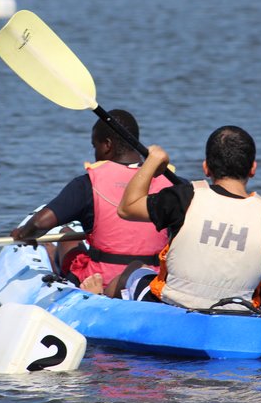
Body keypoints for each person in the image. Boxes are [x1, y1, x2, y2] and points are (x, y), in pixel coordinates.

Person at [115, 125, 261, 311]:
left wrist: (153, 161)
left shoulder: (183, 198)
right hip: (237, 318)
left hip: (172, 307)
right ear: (253, 169)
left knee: (134, 270)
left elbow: (127, 208)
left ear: (206, 168)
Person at [9, 109, 174, 290]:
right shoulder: (171, 183)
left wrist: (24, 234)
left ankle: (52, 260)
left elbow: (41, 223)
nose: (94, 152)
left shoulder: (87, 184)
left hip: (99, 281)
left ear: (107, 145)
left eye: (95, 146)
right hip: (149, 280)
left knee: (67, 236)